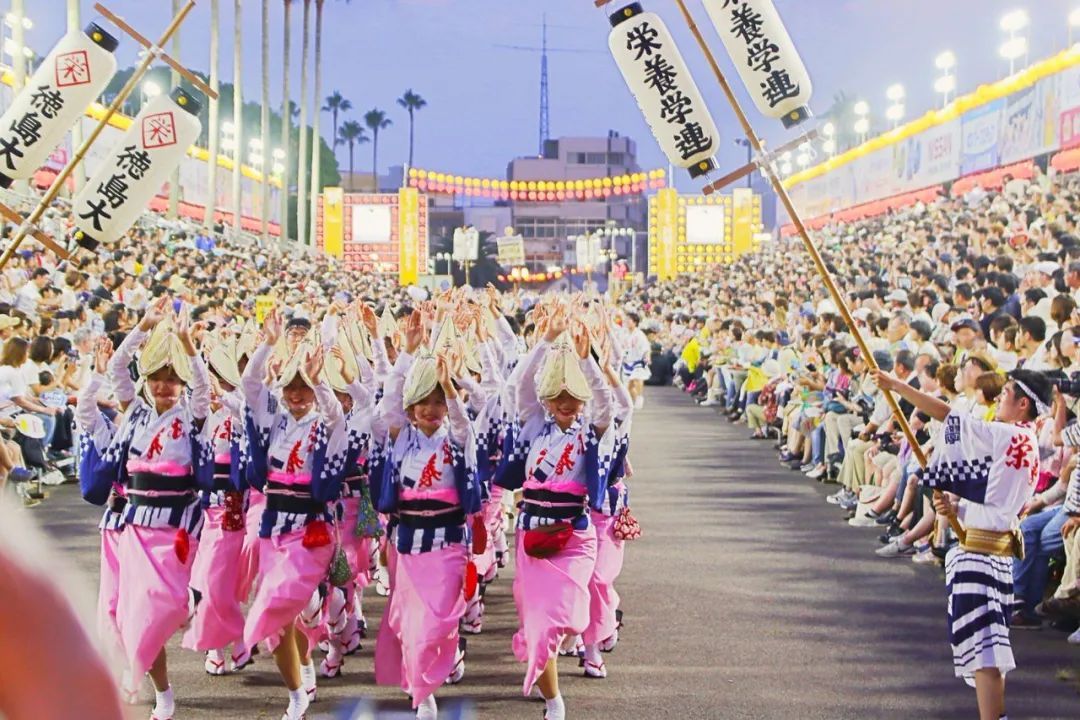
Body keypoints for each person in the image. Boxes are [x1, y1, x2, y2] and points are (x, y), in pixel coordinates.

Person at [873, 366, 1052, 720]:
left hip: (981, 555)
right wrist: (954, 504)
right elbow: (990, 493)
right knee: (990, 647)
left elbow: (948, 415)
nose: (1000, 397)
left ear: (1022, 405)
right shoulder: (1024, 440)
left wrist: (895, 386)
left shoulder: (1006, 435)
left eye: (1007, 393)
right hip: (994, 551)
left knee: (984, 650)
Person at [77, 296, 210, 720]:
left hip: (175, 530)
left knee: (164, 607)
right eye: (156, 378)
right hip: (134, 526)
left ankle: (190, 599)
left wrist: (189, 348)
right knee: (137, 618)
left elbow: (204, 389)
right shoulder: (134, 411)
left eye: (172, 380)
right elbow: (118, 370)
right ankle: (163, 692)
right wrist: (142, 327)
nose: (163, 386)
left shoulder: (192, 416)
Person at [500, 302, 613, 720]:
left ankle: (570, 643)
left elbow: (606, 403)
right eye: (558, 396)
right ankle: (554, 701)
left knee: (567, 617)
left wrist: (586, 359)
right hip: (532, 538)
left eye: (573, 396)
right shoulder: (533, 424)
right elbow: (519, 386)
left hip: (575, 537)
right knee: (542, 623)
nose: (566, 402)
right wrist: (545, 340)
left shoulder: (593, 430)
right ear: (548, 399)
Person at [371, 310, 482, 720]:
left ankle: (437, 665)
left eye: (438, 402)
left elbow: (463, 425)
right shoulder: (402, 440)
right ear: (412, 409)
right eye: (424, 403)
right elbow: (387, 409)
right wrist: (406, 354)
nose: (432, 409)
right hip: (408, 546)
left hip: (449, 544)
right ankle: (423, 694)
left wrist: (450, 388)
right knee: (414, 627)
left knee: (439, 622)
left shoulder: (456, 440)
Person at [240, 308, 347, 720]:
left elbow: (337, 415)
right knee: (280, 625)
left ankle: (321, 619)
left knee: (279, 603)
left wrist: (319, 381)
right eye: (292, 388)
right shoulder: (273, 423)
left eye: (303, 389)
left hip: (309, 532)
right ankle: (297, 690)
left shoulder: (323, 424)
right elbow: (250, 385)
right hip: (274, 529)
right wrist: (268, 344)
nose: (297, 395)